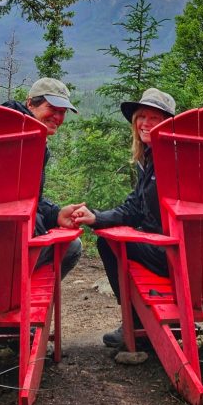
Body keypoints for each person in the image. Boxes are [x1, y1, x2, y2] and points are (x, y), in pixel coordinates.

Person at [70, 87, 176, 349]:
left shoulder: (173, 158)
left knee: (109, 243)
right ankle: (143, 318)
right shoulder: (151, 159)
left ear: (168, 124)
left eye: (155, 118)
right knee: (108, 237)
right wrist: (96, 217)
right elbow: (134, 207)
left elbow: (136, 212)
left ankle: (137, 322)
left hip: (173, 251)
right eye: (142, 116)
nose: (145, 123)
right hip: (171, 247)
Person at [2, 77, 83, 278]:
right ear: (30, 103)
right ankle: (25, 300)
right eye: (52, 108)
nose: (57, 116)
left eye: (62, 112)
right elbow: (16, 205)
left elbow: (29, 200)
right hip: (4, 248)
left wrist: (55, 214)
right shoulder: (22, 142)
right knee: (71, 247)